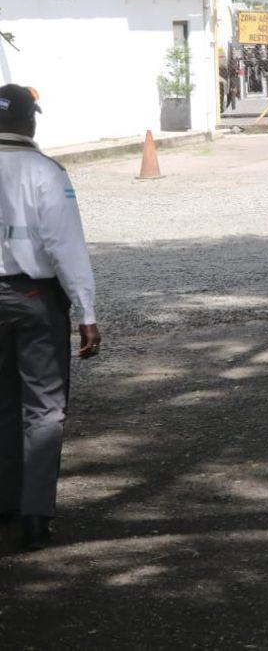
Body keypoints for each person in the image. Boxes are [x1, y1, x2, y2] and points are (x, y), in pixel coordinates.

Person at [0, 85, 101, 551]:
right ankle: (35, 516)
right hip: (35, 297)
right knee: (43, 408)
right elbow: (65, 246)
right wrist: (87, 311)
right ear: (30, 121)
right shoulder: (45, 173)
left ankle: (6, 505)